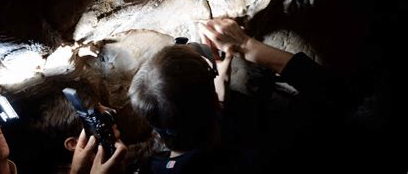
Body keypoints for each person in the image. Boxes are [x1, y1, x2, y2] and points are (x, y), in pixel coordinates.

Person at [128, 18, 345, 174]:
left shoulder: (150, 167)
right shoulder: (261, 152)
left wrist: (219, 88)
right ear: (213, 103)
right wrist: (246, 45)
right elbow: (332, 92)